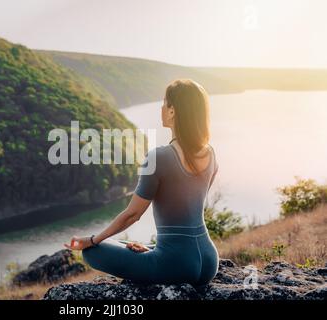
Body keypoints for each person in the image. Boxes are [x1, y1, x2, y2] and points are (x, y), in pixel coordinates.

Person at [64, 79, 219, 285]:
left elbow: (132, 215)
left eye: (165, 103)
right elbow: (192, 207)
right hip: (209, 261)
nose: (161, 107)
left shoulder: (159, 157)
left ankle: (150, 252)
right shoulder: (211, 154)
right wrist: (155, 249)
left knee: (93, 253)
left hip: (176, 265)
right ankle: (155, 250)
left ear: (172, 111)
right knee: (126, 244)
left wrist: (91, 240)